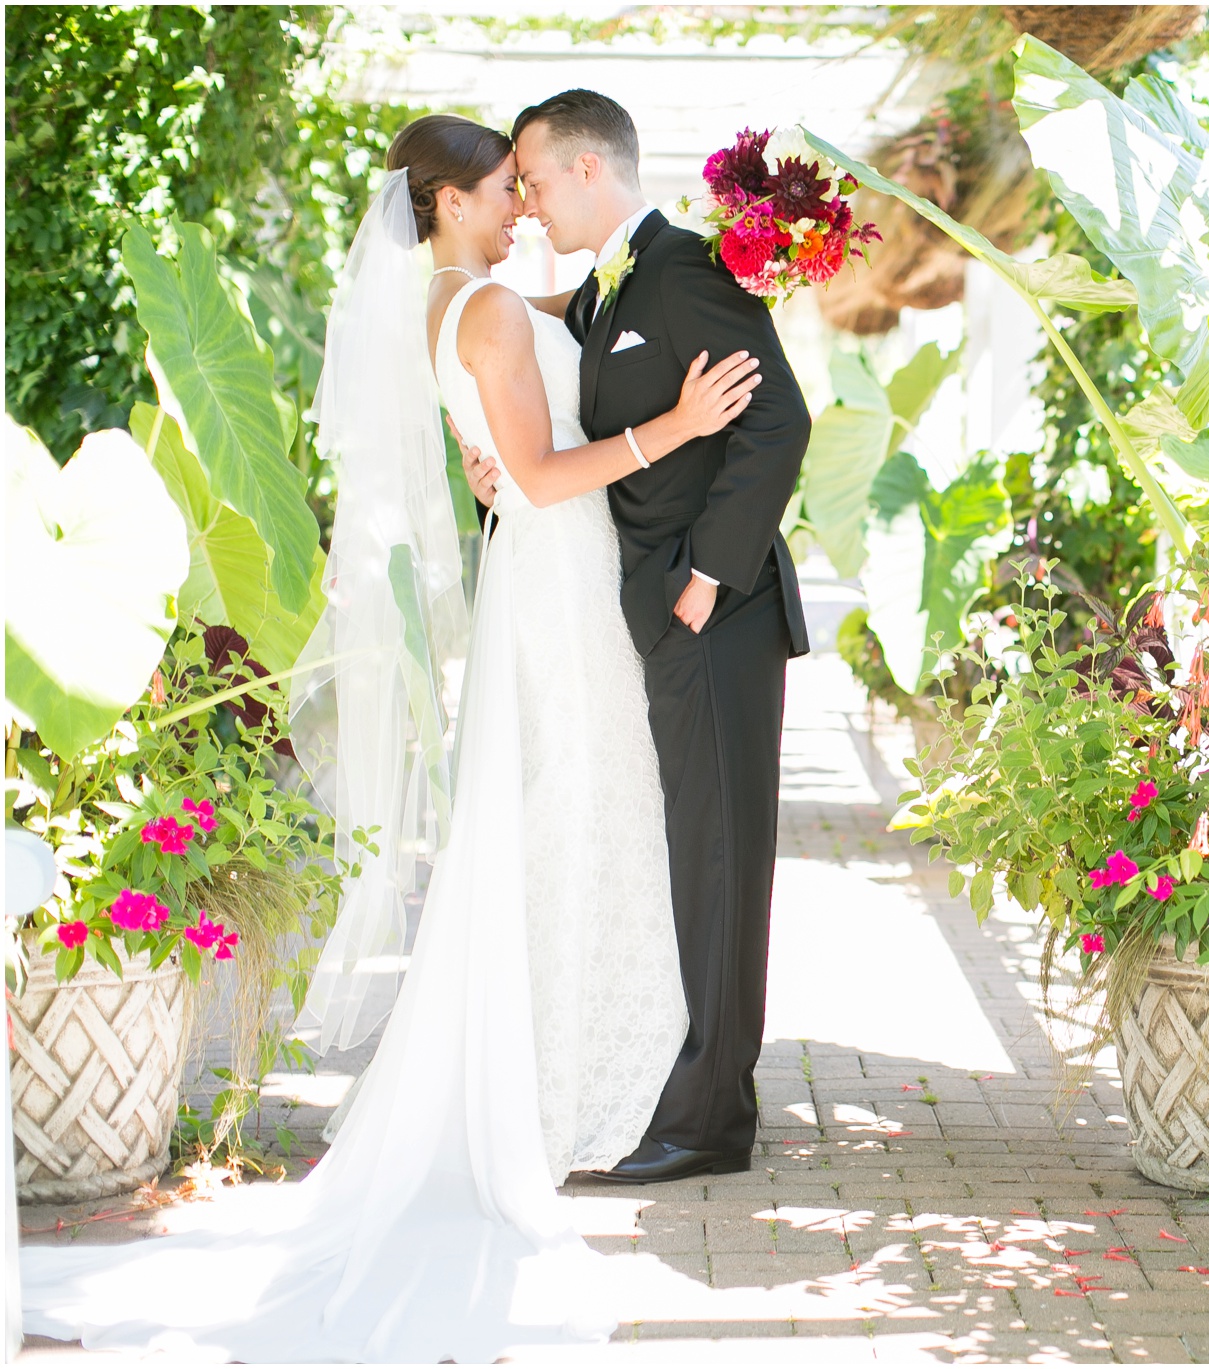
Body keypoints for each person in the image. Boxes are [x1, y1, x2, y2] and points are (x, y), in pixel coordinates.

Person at [18, 113, 757, 1360]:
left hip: (540, 575)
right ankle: (561, 1090)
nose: (521, 203)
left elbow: (531, 405)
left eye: (528, 183)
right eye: (499, 188)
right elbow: (535, 470)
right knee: (578, 808)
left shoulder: (451, 304)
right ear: (446, 200)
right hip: (561, 578)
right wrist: (674, 431)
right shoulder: (484, 312)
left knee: (564, 812)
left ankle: (569, 1076)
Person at [495, 89, 811, 1185]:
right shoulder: (610, 287)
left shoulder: (682, 271)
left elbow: (779, 420)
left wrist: (705, 578)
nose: (526, 203)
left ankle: (710, 1121)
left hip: (716, 616)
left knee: (722, 858)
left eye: (532, 180)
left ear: (591, 170)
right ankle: (694, 1090)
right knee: (693, 854)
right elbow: (532, 345)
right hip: (663, 615)